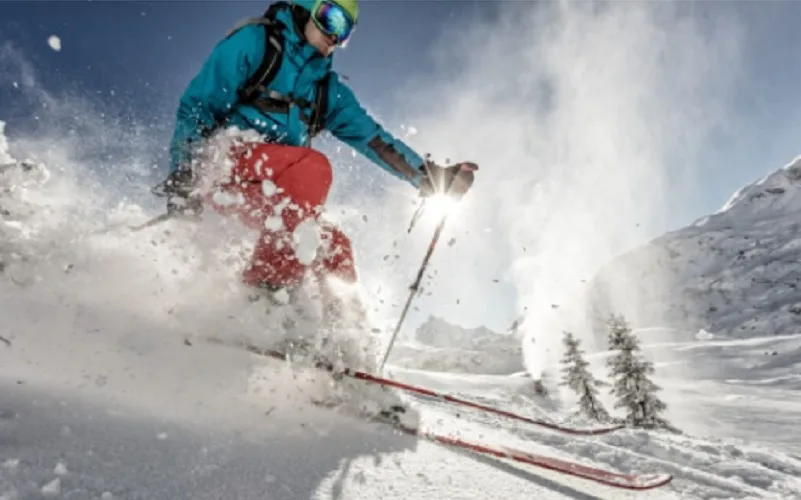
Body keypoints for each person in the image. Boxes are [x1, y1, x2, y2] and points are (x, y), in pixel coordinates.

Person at [157, 0, 477, 332]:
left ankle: (344, 342)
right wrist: (184, 176)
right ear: (306, 7)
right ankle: (263, 300)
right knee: (313, 169)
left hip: (278, 189)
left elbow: (375, 140)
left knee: (334, 246)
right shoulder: (257, 43)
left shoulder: (326, 90)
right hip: (227, 165)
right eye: (330, 19)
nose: (334, 36)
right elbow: (198, 107)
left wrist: (429, 177)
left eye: (345, 31)